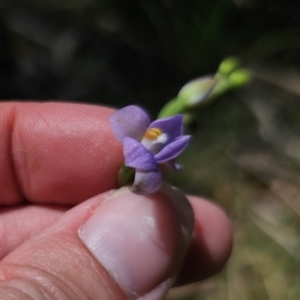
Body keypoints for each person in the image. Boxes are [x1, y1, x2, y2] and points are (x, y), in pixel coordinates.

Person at [0, 102, 232, 300]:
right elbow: (128, 129)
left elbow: (144, 172)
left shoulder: (144, 159)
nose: (159, 133)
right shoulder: (134, 140)